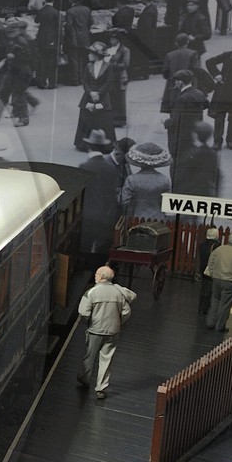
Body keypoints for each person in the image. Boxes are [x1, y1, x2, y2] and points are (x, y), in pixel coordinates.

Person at [77, 264, 136, 400]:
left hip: (95, 331)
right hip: (113, 332)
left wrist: (88, 322)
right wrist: (118, 323)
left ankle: (85, 379)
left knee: (89, 357)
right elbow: (126, 312)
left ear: (102, 277)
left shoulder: (92, 292)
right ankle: (101, 389)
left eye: (97, 274)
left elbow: (83, 312)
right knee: (106, 359)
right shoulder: (118, 293)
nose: (95, 276)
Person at [79, 129, 122, 262]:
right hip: (105, 215)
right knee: (101, 250)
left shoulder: (84, 166)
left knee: (84, 248)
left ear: (89, 146)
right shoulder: (110, 167)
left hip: (87, 215)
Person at [74, 41, 116, 150]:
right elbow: (85, 82)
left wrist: (99, 93)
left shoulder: (108, 67)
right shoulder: (88, 66)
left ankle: (106, 145)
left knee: (104, 119)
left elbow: (108, 82)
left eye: (91, 53)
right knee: (86, 117)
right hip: (89, 95)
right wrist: (91, 92)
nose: (88, 55)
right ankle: (83, 144)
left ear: (97, 56)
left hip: (102, 96)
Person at [205, 231, 232, 331]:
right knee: (225, 305)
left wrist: (212, 274)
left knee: (215, 301)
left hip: (216, 279)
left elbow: (210, 262)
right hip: (230, 282)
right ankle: (220, 326)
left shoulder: (218, 250)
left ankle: (210, 322)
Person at [119, 142, 172, 221]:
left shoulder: (132, 180)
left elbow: (124, 201)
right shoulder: (165, 180)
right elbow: (167, 205)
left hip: (137, 218)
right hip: (158, 219)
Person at [175, 120, 221, 197]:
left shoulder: (190, 154)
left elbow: (181, 176)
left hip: (189, 192)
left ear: (195, 135)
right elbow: (216, 175)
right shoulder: (213, 154)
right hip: (205, 191)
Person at [197, 226, 221, 317]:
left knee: (203, 288)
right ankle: (205, 309)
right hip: (211, 270)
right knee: (210, 289)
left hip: (203, 269)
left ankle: (201, 307)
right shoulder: (216, 246)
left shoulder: (202, 244)